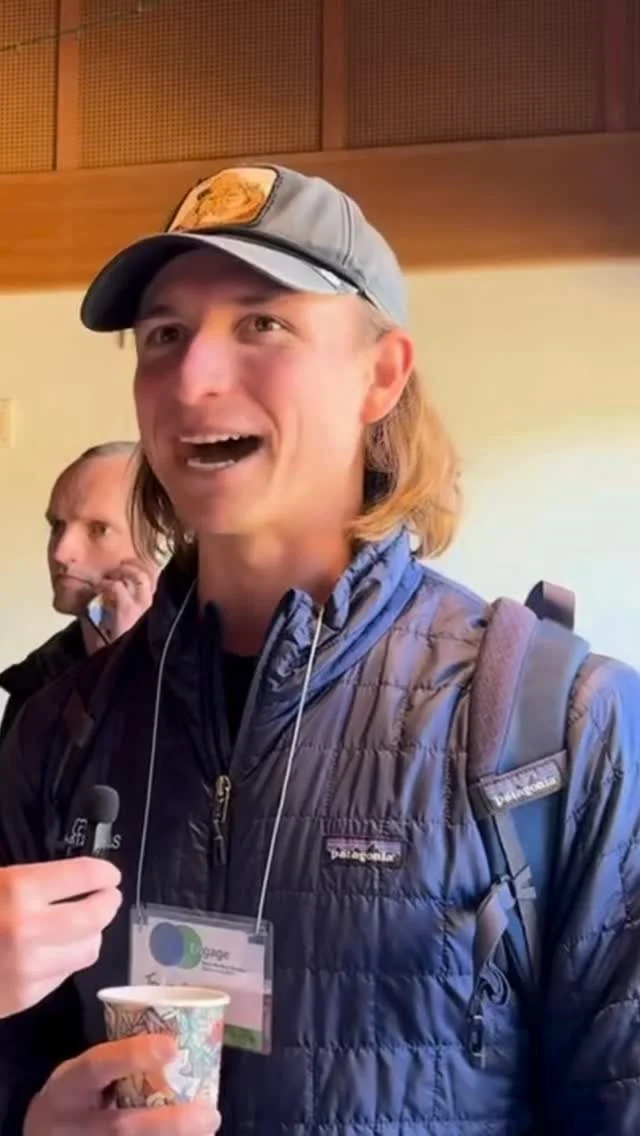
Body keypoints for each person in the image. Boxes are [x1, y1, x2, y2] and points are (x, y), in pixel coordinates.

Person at [0, 163, 639, 1135]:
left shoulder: (558, 730)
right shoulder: (60, 729)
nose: (192, 379)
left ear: (381, 374)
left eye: (262, 323)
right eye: (164, 334)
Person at [0, 441, 157, 740]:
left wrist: (132, 669)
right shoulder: (36, 679)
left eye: (99, 529)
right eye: (57, 526)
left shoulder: (205, 681)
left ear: (162, 548)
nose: (60, 552)